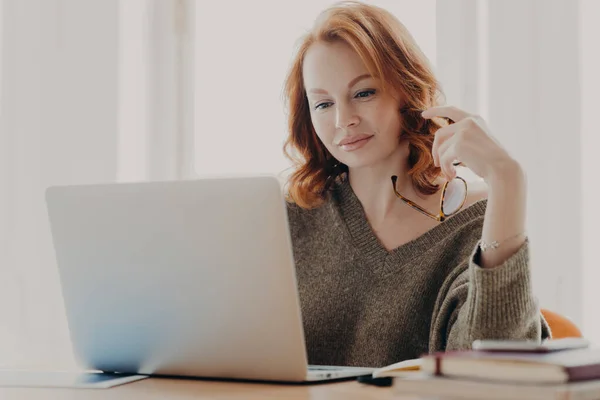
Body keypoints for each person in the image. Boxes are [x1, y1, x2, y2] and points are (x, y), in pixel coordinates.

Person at [281, 1, 550, 368]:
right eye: (323, 104)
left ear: (406, 89)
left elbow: (493, 375)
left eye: (364, 93)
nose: (344, 120)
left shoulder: (479, 221)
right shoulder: (290, 217)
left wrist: (508, 181)